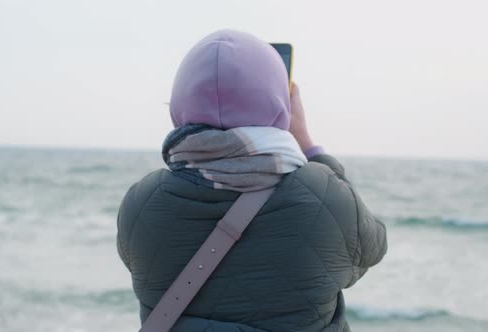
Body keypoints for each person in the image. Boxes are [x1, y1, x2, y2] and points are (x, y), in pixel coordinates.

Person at [116, 29, 387, 332]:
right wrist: (309, 147)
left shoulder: (140, 203)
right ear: (279, 103)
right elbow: (370, 249)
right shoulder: (324, 196)